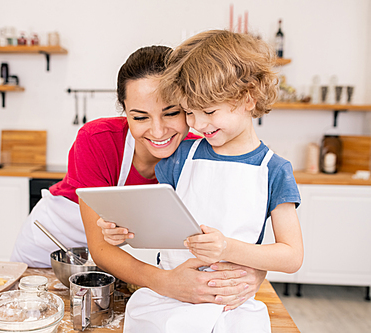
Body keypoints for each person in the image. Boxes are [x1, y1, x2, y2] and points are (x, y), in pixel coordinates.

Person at [13, 45, 266, 309]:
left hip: (117, 268)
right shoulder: (98, 140)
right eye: (140, 117)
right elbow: (100, 249)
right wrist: (167, 282)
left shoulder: (198, 156)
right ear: (124, 111)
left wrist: (252, 272)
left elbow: (227, 230)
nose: (158, 131)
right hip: (47, 258)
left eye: (171, 113)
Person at [110, 30, 303, 333]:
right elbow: (159, 222)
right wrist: (122, 229)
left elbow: (291, 256)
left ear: (248, 98)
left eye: (209, 112)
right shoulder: (181, 157)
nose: (197, 125)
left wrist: (226, 248)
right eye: (189, 112)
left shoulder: (274, 170)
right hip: (171, 299)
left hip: (232, 305)